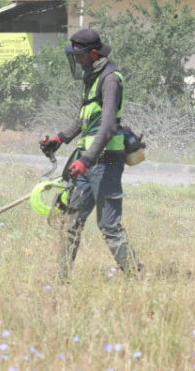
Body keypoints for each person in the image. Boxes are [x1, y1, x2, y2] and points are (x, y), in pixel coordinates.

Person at [40, 28, 141, 278]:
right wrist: (60, 138)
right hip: (87, 162)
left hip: (106, 162)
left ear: (94, 53)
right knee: (71, 221)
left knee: (108, 225)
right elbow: (83, 119)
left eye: (80, 55)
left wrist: (86, 160)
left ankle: (136, 276)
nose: (76, 60)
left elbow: (107, 127)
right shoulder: (91, 77)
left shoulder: (110, 79)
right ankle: (60, 279)